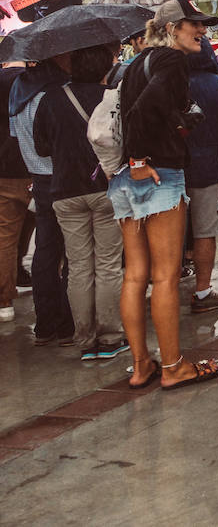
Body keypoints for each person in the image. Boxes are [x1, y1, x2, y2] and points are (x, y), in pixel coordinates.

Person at [111, 0, 218, 389]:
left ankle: (142, 365)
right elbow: (144, 110)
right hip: (157, 177)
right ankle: (174, 366)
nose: (203, 33)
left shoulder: (136, 62)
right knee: (165, 276)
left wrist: (135, 160)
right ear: (173, 28)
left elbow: (138, 112)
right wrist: (143, 158)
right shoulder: (172, 62)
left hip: (124, 178)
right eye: (195, 25)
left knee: (135, 275)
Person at [33, 43, 126, 360]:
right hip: (106, 190)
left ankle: (84, 339)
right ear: (104, 66)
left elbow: (41, 147)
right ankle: (111, 337)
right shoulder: (111, 98)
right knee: (108, 265)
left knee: (78, 267)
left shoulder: (51, 99)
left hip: (63, 192)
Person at [9, 55, 74, 345]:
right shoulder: (52, 94)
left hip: (38, 178)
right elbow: (57, 141)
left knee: (45, 252)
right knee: (75, 252)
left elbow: (16, 135)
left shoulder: (18, 92)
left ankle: (46, 324)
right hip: (62, 177)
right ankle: (68, 321)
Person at [184, 36, 218, 313]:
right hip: (209, 168)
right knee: (205, 232)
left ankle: (165, 287)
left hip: (172, 171)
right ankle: (202, 291)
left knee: (171, 235)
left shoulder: (172, 83)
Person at [0, 60, 29, 323]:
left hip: (5, 169)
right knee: (49, 235)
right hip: (35, 167)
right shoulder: (32, 81)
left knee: (6, 235)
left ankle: (4, 301)